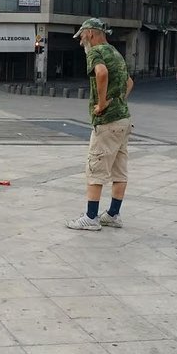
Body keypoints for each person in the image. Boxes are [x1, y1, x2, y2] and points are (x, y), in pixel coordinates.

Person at [66, 18, 134, 231]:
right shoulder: (115, 52)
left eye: (82, 37)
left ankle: (91, 217)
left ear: (91, 34)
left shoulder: (95, 52)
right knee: (119, 171)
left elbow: (101, 73)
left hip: (107, 122)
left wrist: (102, 103)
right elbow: (129, 82)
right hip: (123, 120)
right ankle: (113, 214)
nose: (80, 42)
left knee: (95, 168)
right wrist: (119, 101)